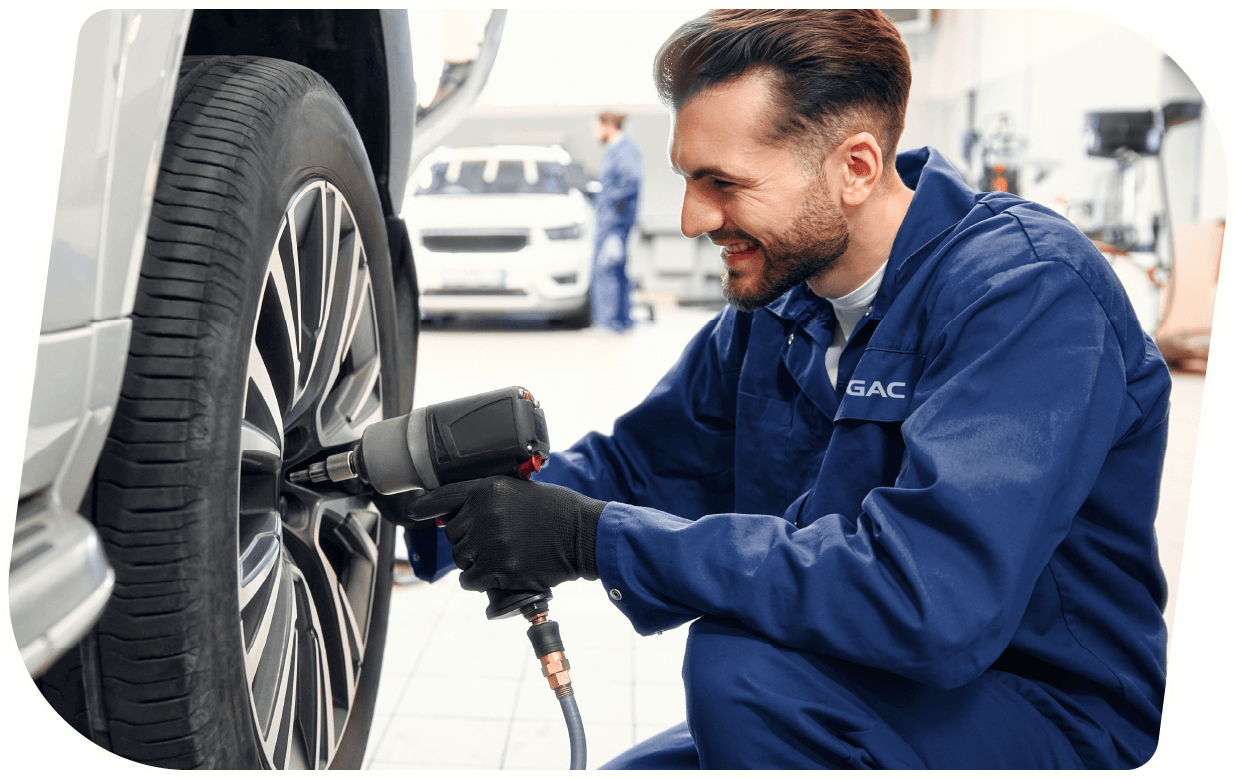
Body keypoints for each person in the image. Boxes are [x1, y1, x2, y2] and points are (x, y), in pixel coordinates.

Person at [398, 9, 1170, 770]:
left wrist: (594, 540)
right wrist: (432, 518)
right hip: (859, 686)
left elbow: (928, 598)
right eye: (688, 178)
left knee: (742, 670)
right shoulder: (780, 303)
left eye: (722, 182)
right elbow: (644, 466)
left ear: (856, 168)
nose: (693, 217)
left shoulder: (1024, 292)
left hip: (1041, 712)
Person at [589, 110, 644, 332]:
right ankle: (620, 320)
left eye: (596, 127)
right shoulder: (616, 151)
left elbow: (631, 181)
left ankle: (608, 322)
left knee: (607, 270)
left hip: (614, 224)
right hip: (613, 222)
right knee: (617, 270)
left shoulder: (623, 149)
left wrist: (606, 196)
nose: (594, 132)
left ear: (607, 126)